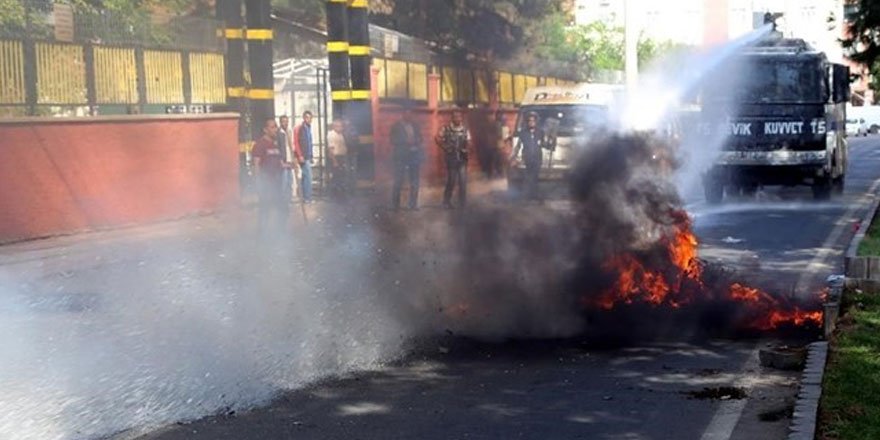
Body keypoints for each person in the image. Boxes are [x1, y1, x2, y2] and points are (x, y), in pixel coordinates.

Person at [251, 118, 288, 233]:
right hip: (265, 182)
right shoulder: (260, 144)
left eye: (276, 127)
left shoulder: (275, 145)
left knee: (282, 208)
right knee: (265, 209)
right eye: (272, 127)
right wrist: (257, 182)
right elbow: (256, 164)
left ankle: (279, 232)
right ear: (265, 130)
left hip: (276, 182)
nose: (275, 129)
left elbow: (280, 164)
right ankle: (262, 234)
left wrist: (290, 165)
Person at [390, 105, 424, 210]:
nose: (408, 115)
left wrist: (417, 141)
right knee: (398, 180)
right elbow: (393, 140)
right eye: (406, 113)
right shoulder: (396, 126)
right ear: (402, 114)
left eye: (410, 113)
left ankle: (413, 204)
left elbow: (421, 138)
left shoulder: (415, 125)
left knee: (414, 181)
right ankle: (395, 205)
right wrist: (406, 142)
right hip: (401, 156)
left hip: (414, 156)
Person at [436, 108, 471, 209]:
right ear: (452, 118)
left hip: (462, 159)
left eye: (459, 117)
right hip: (451, 159)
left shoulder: (465, 129)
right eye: (455, 117)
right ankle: (446, 202)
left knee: (463, 182)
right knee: (451, 181)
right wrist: (445, 147)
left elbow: (469, 141)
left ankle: (462, 204)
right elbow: (437, 138)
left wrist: (467, 149)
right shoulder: (446, 129)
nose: (458, 119)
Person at [510, 112, 547, 200]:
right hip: (527, 158)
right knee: (528, 177)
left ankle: (534, 195)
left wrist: (550, 144)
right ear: (527, 122)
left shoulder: (540, 132)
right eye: (529, 121)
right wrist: (513, 156)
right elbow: (518, 145)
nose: (531, 122)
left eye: (533, 121)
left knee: (535, 177)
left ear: (536, 122)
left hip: (537, 158)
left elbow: (544, 144)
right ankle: (528, 195)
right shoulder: (523, 133)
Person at [294, 111, 315, 203]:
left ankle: (304, 197)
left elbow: (309, 143)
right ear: (303, 118)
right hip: (303, 156)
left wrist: (311, 156)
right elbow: (296, 142)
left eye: (310, 117)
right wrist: (300, 155)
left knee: (305, 176)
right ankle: (307, 198)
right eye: (307, 117)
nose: (309, 119)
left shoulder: (308, 128)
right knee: (308, 176)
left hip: (307, 156)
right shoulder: (300, 128)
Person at [327, 118, 348, 199]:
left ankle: (340, 195)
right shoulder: (332, 135)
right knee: (336, 177)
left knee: (341, 177)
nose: (341, 128)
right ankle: (334, 196)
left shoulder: (340, 134)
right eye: (339, 126)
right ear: (335, 126)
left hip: (341, 157)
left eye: (341, 126)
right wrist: (334, 161)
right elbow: (330, 150)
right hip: (335, 158)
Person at [277, 115, 296, 203]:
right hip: (283, 160)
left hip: (290, 159)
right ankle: (282, 200)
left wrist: (294, 159)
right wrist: (281, 160)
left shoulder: (289, 131)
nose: (286, 123)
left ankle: (288, 199)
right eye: (283, 121)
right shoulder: (279, 133)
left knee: (290, 180)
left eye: (287, 121)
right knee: (283, 181)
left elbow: (292, 146)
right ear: (280, 122)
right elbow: (278, 148)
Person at [493, 111, 511, 179]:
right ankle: (500, 173)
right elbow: (500, 135)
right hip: (499, 144)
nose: (504, 119)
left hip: (499, 145)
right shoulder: (499, 125)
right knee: (500, 160)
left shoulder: (500, 125)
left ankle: (500, 173)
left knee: (499, 160)